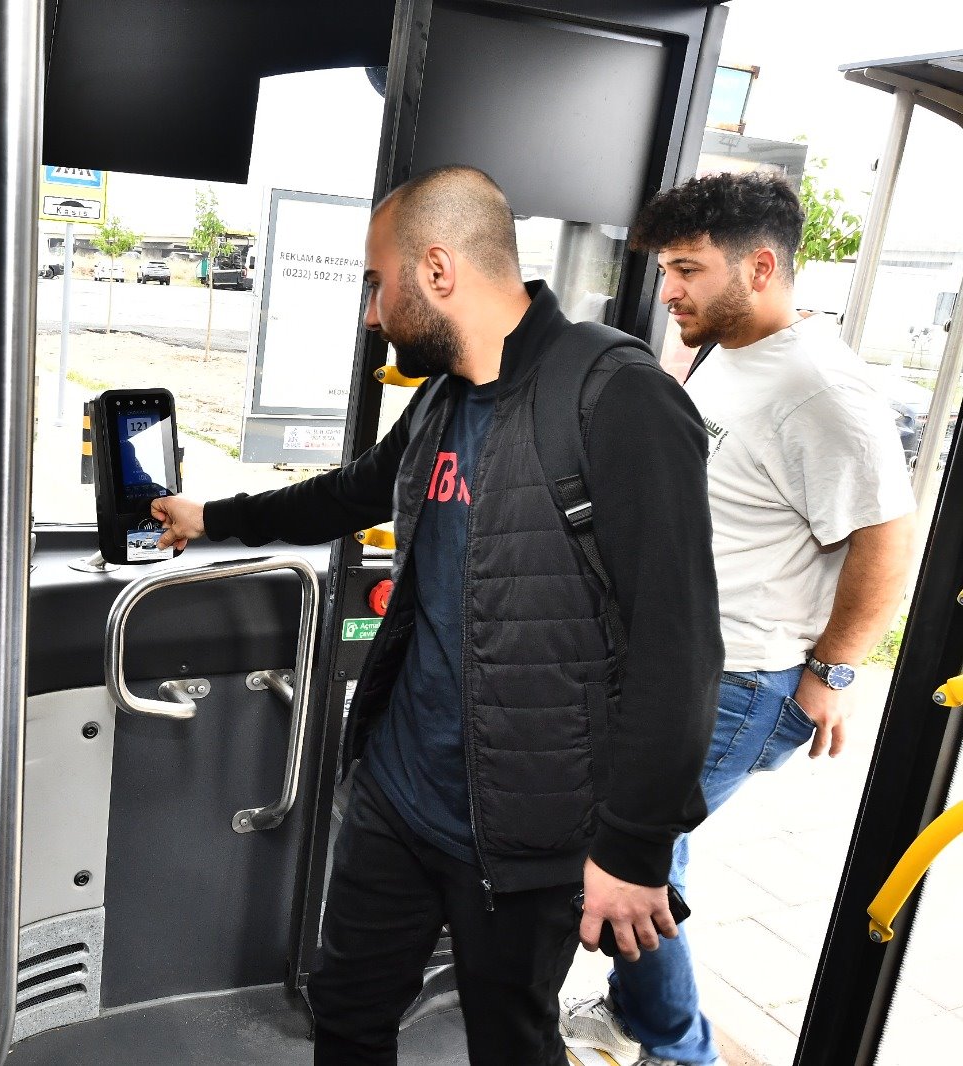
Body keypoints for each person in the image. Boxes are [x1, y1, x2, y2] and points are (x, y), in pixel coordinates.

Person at [151, 165, 723, 1066]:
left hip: (524, 827)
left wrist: (633, 850)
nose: (371, 314)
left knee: (508, 1042)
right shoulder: (441, 400)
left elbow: (678, 650)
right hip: (398, 792)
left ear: (438, 270)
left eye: (378, 284)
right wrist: (212, 518)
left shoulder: (618, 398)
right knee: (347, 1011)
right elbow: (347, 495)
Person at [559, 172, 916, 1066]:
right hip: (683, 666)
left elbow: (886, 540)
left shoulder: (822, 389)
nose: (668, 291)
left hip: (740, 682)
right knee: (650, 855)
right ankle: (642, 1021)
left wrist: (831, 670)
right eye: (666, 270)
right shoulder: (732, 350)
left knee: (621, 854)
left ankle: (678, 1049)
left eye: (687, 270)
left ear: (759, 268)